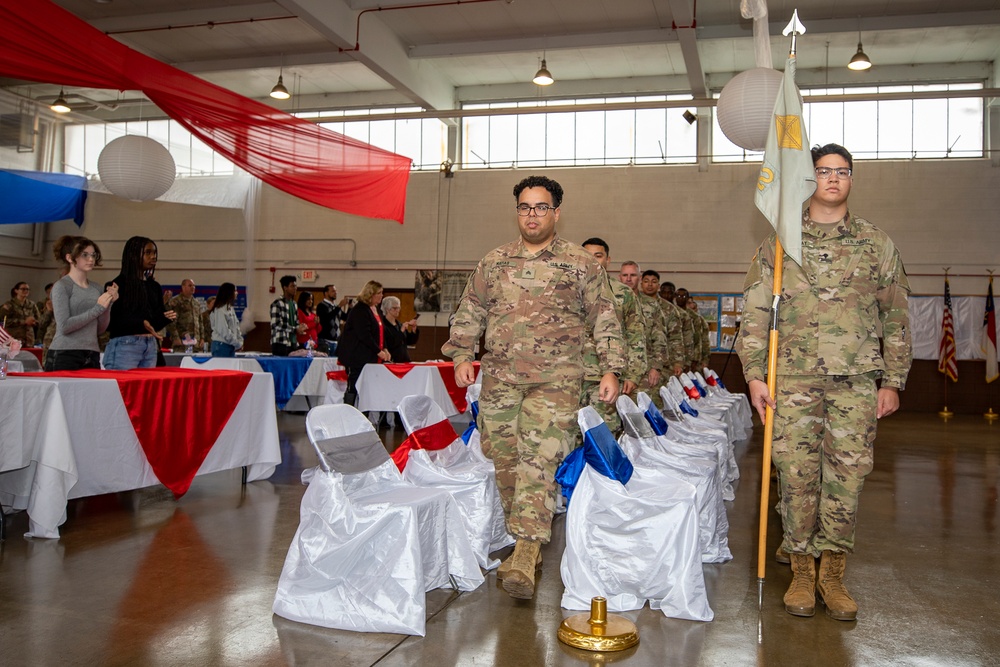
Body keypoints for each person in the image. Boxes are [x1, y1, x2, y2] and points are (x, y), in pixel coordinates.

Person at [736, 143, 912, 622]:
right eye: (823, 171)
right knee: (795, 476)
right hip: (791, 380)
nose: (833, 178)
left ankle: (832, 572)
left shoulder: (876, 244)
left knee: (847, 479)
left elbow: (895, 315)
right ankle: (801, 570)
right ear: (810, 179)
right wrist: (754, 376)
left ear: (852, 179)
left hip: (856, 382)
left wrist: (892, 380)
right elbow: (753, 317)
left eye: (842, 171)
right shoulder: (779, 243)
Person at [443, 175, 624, 600]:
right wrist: (461, 354)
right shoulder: (495, 261)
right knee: (503, 459)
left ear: (556, 213)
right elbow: (471, 309)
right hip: (501, 380)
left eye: (541, 207)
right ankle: (525, 534)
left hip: (557, 381)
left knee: (537, 458)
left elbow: (604, 318)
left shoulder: (580, 263)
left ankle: (525, 549)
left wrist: (612, 368)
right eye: (525, 207)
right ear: (517, 211)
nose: (532, 215)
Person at [581, 238, 646, 433]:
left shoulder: (622, 293)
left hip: (604, 378)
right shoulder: (565, 291)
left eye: (598, 256)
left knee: (604, 435)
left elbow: (636, 335)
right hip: (570, 378)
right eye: (586, 256)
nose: (592, 261)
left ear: (608, 260)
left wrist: (633, 374)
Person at [45, 236, 118, 371]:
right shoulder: (62, 286)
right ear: (70, 258)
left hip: (92, 352)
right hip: (65, 353)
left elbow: (99, 329)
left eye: (93, 255)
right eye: (84, 255)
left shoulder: (97, 288)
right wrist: (98, 308)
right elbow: (64, 326)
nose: (91, 259)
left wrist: (109, 305)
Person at [104, 237, 176, 370]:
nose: (153, 257)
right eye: (148, 253)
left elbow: (153, 323)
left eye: (154, 253)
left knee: (147, 390)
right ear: (133, 256)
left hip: (150, 345)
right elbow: (113, 321)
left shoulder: (154, 286)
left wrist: (165, 318)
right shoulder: (116, 285)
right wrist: (141, 323)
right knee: (122, 388)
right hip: (125, 345)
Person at [619, 262, 669, 405]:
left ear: (639, 278)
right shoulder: (610, 302)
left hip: (643, 370)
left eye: (633, 275)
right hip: (617, 369)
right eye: (625, 275)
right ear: (619, 277)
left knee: (643, 413)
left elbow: (660, 338)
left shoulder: (651, 305)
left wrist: (656, 367)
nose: (628, 279)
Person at [337, 281, 391, 406]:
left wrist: (386, 348)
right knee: (355, 384)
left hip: (371, 355)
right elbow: (364, 335)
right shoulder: (360, 310)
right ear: (370, 294)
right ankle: (349, 411)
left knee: (368, 387)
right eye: (379, 293)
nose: (381, 296)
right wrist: (379, 351)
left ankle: (365, 414)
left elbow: (381, 331)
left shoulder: (376, 310)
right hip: (358, 355)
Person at [269, 275, 305, 356]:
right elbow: (276, 324)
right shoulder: (277, 303)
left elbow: (296, 322)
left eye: (296, 286)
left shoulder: (294, 304)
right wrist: (295, 329)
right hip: (281, 342)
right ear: (285, 288)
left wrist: (300, 328)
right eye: (292, 286)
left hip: (293, 342)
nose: (295, 288)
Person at [167, 279, 206, 352]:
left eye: (194, 286)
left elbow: (200, 322)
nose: (193, 287)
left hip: (196, 343)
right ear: (183, 287)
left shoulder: (196, 303)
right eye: (190, 285)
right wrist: (176, 337)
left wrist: (202, 338)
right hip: (182, 342)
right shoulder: (176, 301)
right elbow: (171, 322)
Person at [380, 295, 419, 363]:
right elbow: (391, 344)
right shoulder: (383, 325)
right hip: (391, 360)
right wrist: (401, 332)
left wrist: (414, 330)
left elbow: (410, 341)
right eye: (395, 308)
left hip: (404, 360)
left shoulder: (399, 324)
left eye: (398, 308)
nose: (397, 310)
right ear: (387, 309)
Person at [209, 283, 243, 357]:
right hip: (221, 346)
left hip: (230, 345)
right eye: (235, 291)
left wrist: (239, 342)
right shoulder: (220, 310)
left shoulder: (230, 308)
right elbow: (224, 331)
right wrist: (237, 343)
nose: (237, 293)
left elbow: (236, 328)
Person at [1, 282, 40, 347]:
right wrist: (24, 322)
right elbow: (4, 321)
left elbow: (39, 319)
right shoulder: (9, 305)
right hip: (14, 339)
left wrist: (34, 322)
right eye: (23, 289)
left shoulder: (32, 304)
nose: (25, 291)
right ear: (16, 291)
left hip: (29, 339)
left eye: (27, 289)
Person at [316, 284, 349, 354]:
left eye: (336, 291)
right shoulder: (321, 306)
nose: (335, 293)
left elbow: (346, 317)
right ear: (326, 293)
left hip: (336, 341)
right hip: (325, 341)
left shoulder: (336, 307)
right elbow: (326, 318)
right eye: (333, 291)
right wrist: (339, 306)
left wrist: (350, 308)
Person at [687, 298, 712, 369]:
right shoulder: (678, 317)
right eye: (688, 303)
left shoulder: (701, 321)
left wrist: (705, 360)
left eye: (694, 308)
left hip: (697, 359)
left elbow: (705, 342)